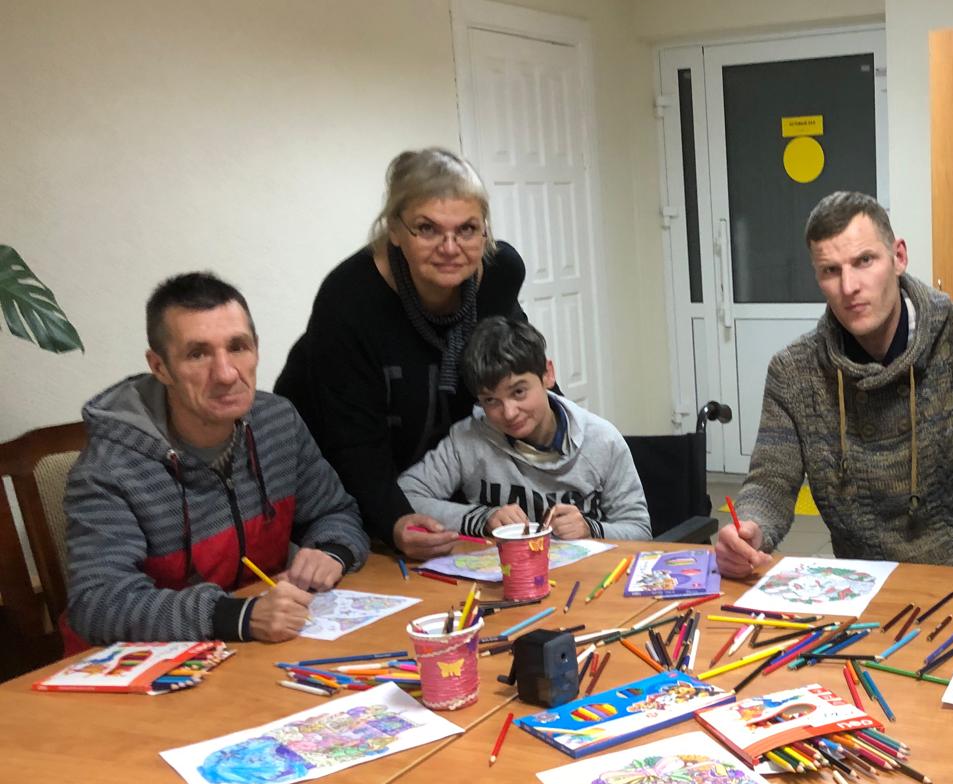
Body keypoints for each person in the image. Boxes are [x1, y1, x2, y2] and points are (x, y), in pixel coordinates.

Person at [714, 191, 953, 576]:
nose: (849, 287)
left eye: (864, 261)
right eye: (830, 270)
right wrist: (750, 527)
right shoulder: (793, 372)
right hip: (866, 583)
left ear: (899, 257)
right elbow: (771, 480)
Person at [64, 273, 369, 646]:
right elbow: (98, 603)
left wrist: (332, 551)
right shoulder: (108, 469)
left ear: (256, 349)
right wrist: (235, 616)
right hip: (146, 664)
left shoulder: (278, 421)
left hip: (256, 648)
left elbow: (336, 512)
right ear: (160, 367)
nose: (225, 374)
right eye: (198, 354)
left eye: (238, 347)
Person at [276, 147, 528, 561]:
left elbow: (518, 374)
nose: (450, 247)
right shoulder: (349, 300)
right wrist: (394, 520)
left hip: (436, 485)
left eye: (467, 229)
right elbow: (350, 442)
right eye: (427, 229)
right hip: (343, 488)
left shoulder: (499, 274)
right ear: (394, 229)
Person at [396, 317, 652, 541]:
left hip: (587, 575)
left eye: (518, 391)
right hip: (502, 574)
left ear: (547, 375)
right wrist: (481, 518)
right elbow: (405, 495)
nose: (509, 413)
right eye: (490, 400)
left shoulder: (602, 441)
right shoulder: (468, 438)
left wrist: (591, 529)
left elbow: (640, 531)